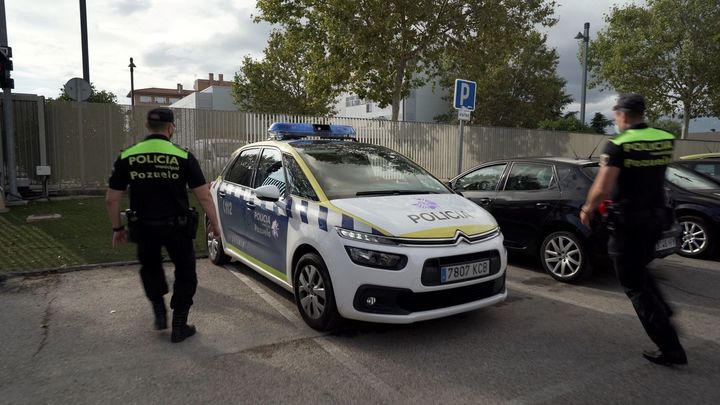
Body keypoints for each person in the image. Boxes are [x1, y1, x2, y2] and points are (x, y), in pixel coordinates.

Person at [581, 93, 686, 366]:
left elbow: (603, 187)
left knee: (632, 282)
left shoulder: (618, 144)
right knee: (640, 267)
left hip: (629, 222)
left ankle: (670, 346)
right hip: (657, 218)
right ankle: (662, 309)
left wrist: (587, 209)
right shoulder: (664, 138)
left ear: (623, 115)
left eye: (616, 114)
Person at [105, 107, 220, 343]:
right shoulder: (183, 156)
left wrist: (117, 228)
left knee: (150, 267)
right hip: (177, 228)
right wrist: (215, 224)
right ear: (171, 128)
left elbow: (111, 198)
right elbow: (204, 195)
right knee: (186, 273)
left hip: (144, 227)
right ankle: (179, 324)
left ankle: (159, 311)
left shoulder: (128, 155)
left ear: (148, 127)